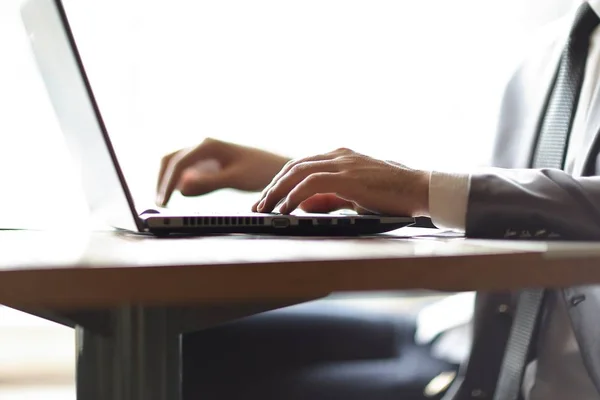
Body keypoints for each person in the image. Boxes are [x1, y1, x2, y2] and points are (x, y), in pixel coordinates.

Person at [157, 1, 600, 399]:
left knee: (198, 380)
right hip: (454, 331)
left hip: (527, 379)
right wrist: (303, 173)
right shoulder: (552, 49)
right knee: (185, 345)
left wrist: (415, 188)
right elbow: (492, 202)